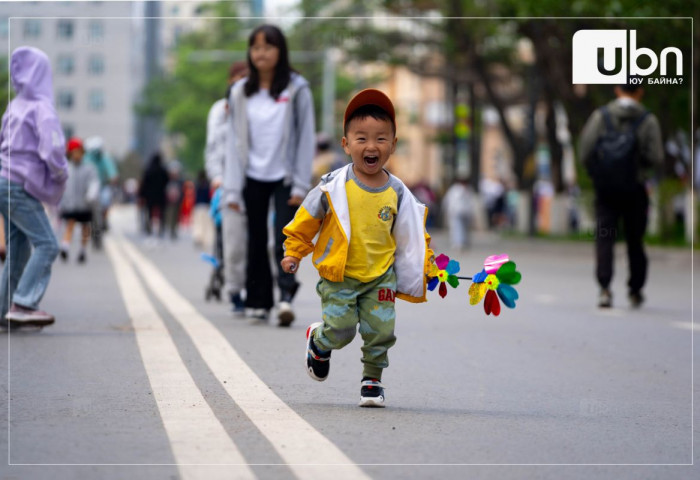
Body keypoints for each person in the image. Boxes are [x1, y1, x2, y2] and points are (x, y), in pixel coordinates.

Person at [281, 89, 435, 407]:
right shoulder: (332, 186)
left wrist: (428, 263)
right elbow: (305, 220)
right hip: (340, 275)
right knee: (342, 329)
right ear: (346, 144)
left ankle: (372, 381)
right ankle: (319, 341)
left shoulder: (399, 192)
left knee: (381, 330)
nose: (371, 146)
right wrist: (294, 252)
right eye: (361, 138)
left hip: (380, 276)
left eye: (381, 139)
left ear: (392, 145)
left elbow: (414, 236)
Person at [225, 25, 315, 325]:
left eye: (268, 46)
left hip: (285, 178)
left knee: (284, 239)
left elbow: (305, 137)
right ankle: (259, 301)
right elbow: (233, 142)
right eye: (256, 47)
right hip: (251, 176)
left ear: (281, 51)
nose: (261, 53)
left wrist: (302, 183)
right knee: (255, 240)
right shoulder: (240, 92)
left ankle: (286, 297)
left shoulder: (296, 88)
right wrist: (232, 189)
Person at [579, 79, 663, 308]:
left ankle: (604, 289)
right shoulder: (648, 120)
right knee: (635, 240)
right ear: (640, 92)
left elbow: (585, 150)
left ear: (617, 90)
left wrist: (597, 173)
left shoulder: (601, 116)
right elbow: (656, 157)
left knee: (604, 238)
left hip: (606, 192)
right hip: (635, 190)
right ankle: (635, 289)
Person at [0, 46, 68, 327]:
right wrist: (60, 174)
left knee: (18, 246)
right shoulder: (42, 108)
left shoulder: (14, 106)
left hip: (3, 180)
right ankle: (24, 303)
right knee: (48, 244)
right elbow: (52, 149)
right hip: (19, 185)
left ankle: (4, 309)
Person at [206, 61, 248, 315]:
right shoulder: (219, 110)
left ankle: (253, 288)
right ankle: (234, 290)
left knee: (259, 242)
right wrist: (217, 178)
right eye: (238, 77)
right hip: (227, 182)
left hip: (253, 182)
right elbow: (213, 148)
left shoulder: (257, 105)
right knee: (232, 242)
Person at [59, 137, 99, 263]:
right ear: (70, 153)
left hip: (85, 204)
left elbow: (94, 183)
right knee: (69, 224)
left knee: (85, 227)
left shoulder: (89, 168)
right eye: (74, 152)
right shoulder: (66, 168)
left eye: (79, 152)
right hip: (70, 204)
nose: (76, 155)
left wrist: (91, 195)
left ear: (82, 153)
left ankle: (82, 249)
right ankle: (65, 247)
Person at [83, 136, 118, 248]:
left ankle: (104, 219)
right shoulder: (86, 158)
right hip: (89, 188)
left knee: (106, 201)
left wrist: (112, 179)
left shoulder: (105, 158)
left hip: (102, 187)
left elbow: (113, 174)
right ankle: (92, 230)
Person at [138, 152, 169, 237]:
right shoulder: (163, 170)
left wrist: (141, 195)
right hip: (160, 195)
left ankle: (150, 227)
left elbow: (144, 184)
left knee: (149, 212)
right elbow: (167, 181)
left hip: (150, 195)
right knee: (162, 213)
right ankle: (161, 228)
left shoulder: (148, 170)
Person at [442, 176, 475, 250]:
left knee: (462, 228)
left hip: (463, 212)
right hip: (456, 212)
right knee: (457, 228)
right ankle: (458, 243)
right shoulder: (456, 189)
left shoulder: (467, 189)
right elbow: (450, 201)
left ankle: (463, 242)